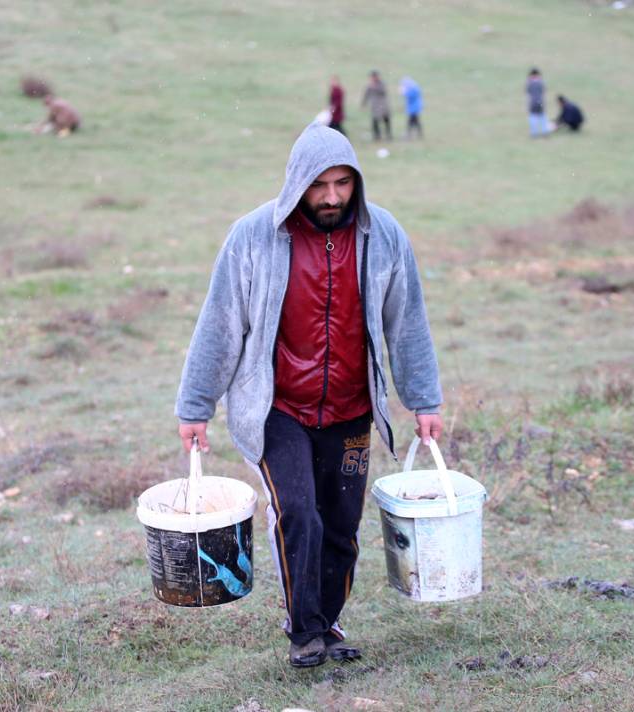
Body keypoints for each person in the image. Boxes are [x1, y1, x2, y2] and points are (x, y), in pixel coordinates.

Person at [175, 124, 443, 669]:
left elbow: (406, 322)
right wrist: (195, 406)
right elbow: (220, 324)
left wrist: (424, 399)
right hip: (277, 407)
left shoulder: (383, 236)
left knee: (342, 525)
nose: (332, 197)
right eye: (320, 185)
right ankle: (304, 632)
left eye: (343, 184)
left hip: (351, 409)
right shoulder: (253, 237)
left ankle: (329, 622)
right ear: (297, 182)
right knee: (298, 511)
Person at [361, 71, 392, 141]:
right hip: (375, 107)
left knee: (386, 121)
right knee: (375, 122)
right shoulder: (370, 85)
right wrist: (363, 104)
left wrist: (375, 87)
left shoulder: (381, 84)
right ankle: (377, 137)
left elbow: (383, 91)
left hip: (383, 106)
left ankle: (389, 136)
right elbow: (366, 94)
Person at [525, 67, 549, 138]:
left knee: (533, 118)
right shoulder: (541, 82)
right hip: (541, 102)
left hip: (532, 103)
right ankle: (545, 132)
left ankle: (534, 133)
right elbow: (544, 90)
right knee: (543, 117)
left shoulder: (529, 83)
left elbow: (527, 91)